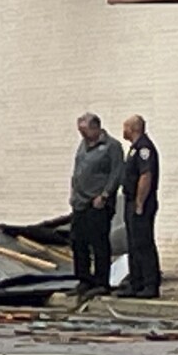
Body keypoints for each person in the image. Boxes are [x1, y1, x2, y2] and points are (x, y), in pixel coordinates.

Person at [70, 113, 125, 298]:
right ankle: (84, 279)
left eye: (85, 131)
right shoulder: (83, 146)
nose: (82, 135)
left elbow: (117, 173)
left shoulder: (112, 147)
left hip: (98, 203)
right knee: (78, 241)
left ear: (96, 128)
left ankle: (102, 281)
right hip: (80, 202)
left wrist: (105, 195)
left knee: (99, 242)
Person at [118, 115, 160, 298]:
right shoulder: (133, 149)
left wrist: (140, 202)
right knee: (133, 244)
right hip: (130, 201)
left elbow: (146, 176)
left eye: (125, 127)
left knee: (143, 243)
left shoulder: (144, 148)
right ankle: (136, 282)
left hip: (140, 202)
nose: (123, 130)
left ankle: (150, 284)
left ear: (133, 128)